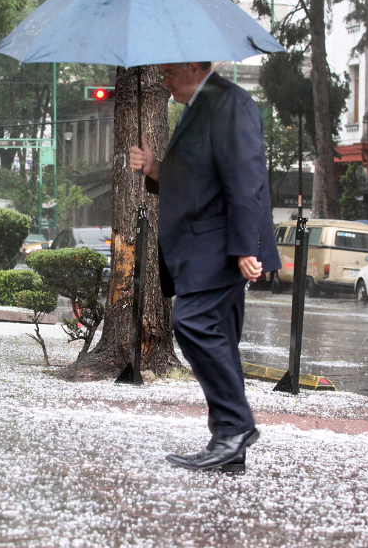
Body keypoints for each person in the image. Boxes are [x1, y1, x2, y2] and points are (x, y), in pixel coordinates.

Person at [129, 62, 281, 473]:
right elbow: (198, 174)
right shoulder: (204, 104)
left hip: (219, 245)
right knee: (223, 340)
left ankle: (236, 427)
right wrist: (154, 167)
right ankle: (228, 447)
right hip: (208, 245)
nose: (164, 81)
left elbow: (247, 177)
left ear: (195, 67)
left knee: (192, 322)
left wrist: (248, 246)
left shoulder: (231, 101)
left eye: (170, 73)